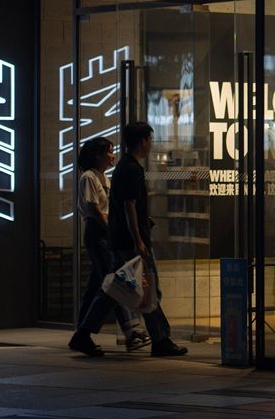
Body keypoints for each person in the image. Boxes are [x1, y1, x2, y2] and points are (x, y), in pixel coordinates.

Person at [68, 122, 187, 358]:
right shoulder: (130, 170)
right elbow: (128, 206)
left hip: (119, 239)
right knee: (147, 288)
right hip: (129, 241)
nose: (151, 144)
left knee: (113, 289)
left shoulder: (122, 169)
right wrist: (138, 240)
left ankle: (84, 333)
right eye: (149, 140)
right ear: (143, 141)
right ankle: (159, 339)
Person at [74, 137, 150, 353]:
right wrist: (111, 230)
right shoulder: (89, 177)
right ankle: (131, 330)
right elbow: (95, 209)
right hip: (99, 233)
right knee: (115, 283)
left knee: (97, 286)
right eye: (108, 152)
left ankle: (82, 333)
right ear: (96, 155)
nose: (112, 156)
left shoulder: (103, 178)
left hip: (105, 233)